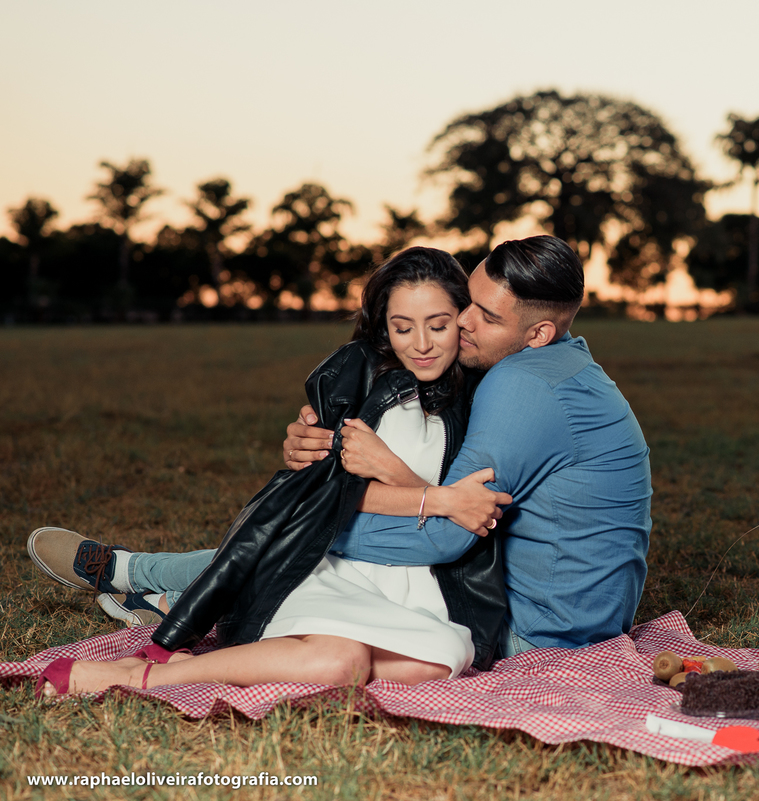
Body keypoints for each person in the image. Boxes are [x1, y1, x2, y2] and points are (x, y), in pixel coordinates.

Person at [30, 234, 652, 664]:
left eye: (480, 317)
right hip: (578, 613)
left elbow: (445, 535)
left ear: (538, 332)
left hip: (536, 629)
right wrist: (317, 450)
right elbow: (442, 498)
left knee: (314, 547)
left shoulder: (521, 385)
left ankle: (142, 577)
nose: (460, 325)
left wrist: (313, 517)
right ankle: (150, 582)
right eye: (465, 305)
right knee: (316, 539)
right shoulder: (557, 363)